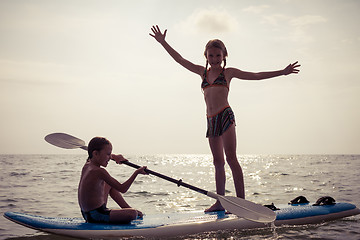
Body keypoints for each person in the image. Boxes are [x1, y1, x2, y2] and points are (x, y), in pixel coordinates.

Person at [149, 25, 300, 212]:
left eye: (218, 56)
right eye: (211, 56)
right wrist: (164, 42)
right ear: (206, 56)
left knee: (231, 159)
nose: (214, 59)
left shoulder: (228, 73)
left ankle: (241, 203)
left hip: (225, 116)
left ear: (224, 56)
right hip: (211, 120)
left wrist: (282, 72)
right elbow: (180, 59)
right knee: (217, 162)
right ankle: (220, 202)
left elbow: (256, 75)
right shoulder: (202, 72)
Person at [78, 137, 147, 223]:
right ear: (95, 153)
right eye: (108, 154)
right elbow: (122, 189)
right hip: (97, 215)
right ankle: (130, 211)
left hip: (86, 213)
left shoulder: (87, 165)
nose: (110, 158)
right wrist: (137, 172)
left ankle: (126, 208)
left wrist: (115, 156)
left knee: (109, 184)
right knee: (132, 213)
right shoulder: (99, 171)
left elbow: (93, 156)